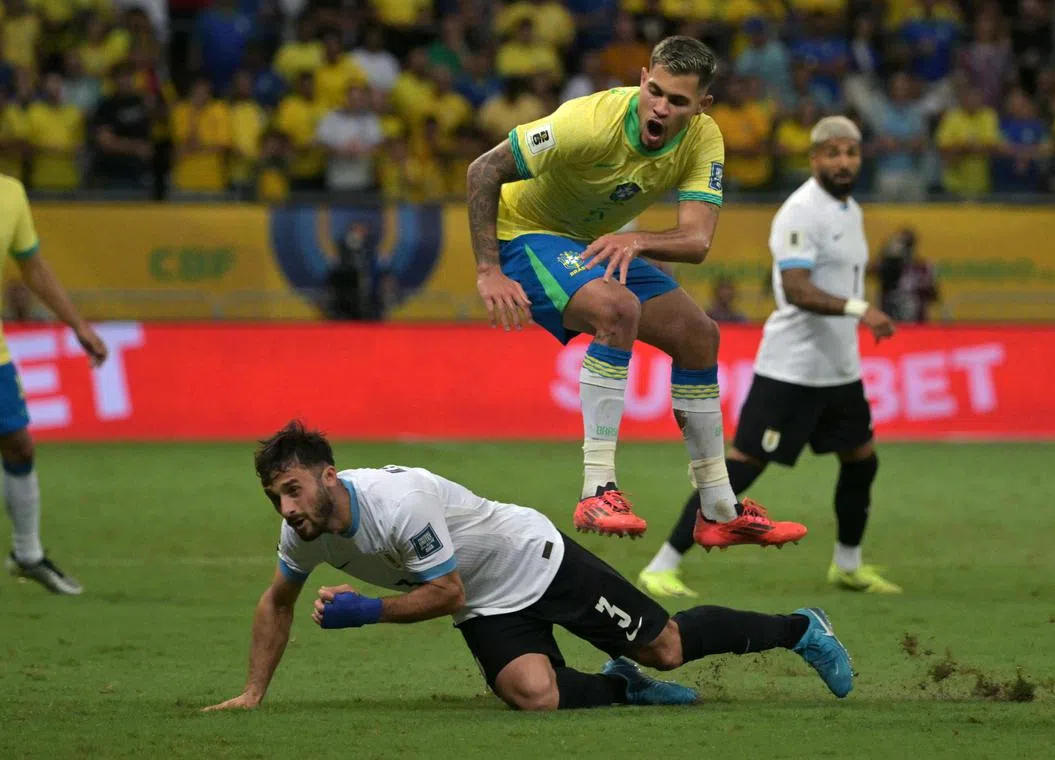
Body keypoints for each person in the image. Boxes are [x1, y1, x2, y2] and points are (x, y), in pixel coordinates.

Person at [202, 421, 854, 713]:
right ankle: (622, 689)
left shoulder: (400, 504)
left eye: (292, 491)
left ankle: (801, 629)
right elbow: (276, 601)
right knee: (533, 696)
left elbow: (443, 587)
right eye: (276, 498)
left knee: (668, 647)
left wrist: (367, 611)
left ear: (328, 477)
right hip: (485, 603)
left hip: (534, 559)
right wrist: (254, 691)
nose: (286, 509)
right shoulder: (307, 531)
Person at [465, 35, 803, 547]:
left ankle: (717, 509)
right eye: (656, 92)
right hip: (525, 233)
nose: (662, 108)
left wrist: (639, 239)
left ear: (702, 106)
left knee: (699, 336)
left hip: (599, 242)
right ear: (644, 78)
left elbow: (697, 240)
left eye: (679, 101)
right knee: (617, 309)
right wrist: (489, 269)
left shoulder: (704, 138)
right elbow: (484, 169)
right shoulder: (589, 122)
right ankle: (597, 489)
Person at [640, 117, 901, 599]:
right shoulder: (800, 212)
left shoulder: (851, 210)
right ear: (814, 158)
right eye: (833, 153)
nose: (844, 162)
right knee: (740, 469)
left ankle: (847, 565)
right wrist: (861, 309)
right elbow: (798, 290)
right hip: (792, 370)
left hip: (839, 371)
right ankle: (662, 564)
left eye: (852, 152)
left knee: (862, 462)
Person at [2, 175, 108, 594]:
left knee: (18, 444)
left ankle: (27, 554)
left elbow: (31, 265)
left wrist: (76, 324)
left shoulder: (11, 194)